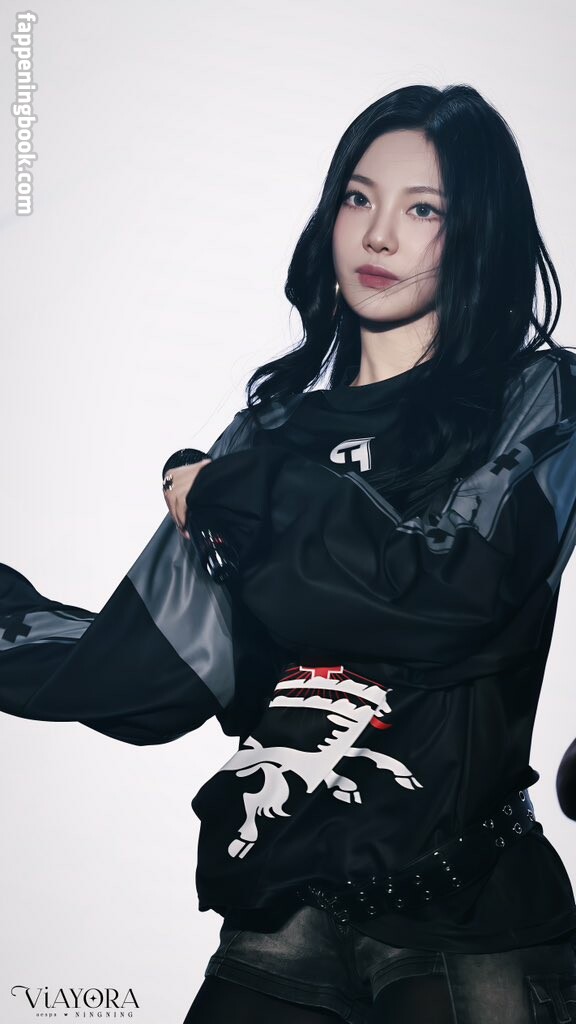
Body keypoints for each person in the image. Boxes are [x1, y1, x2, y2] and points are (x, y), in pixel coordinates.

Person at [1, 83, 576, 1023]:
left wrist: (245, 495)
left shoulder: (538, 401)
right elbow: (158, 675)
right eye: (358, 198)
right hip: (281, 919)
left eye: (423, 210)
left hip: (473, 924)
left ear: (480, 232)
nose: (378, 235)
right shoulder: (262, 441)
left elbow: (453, 593)